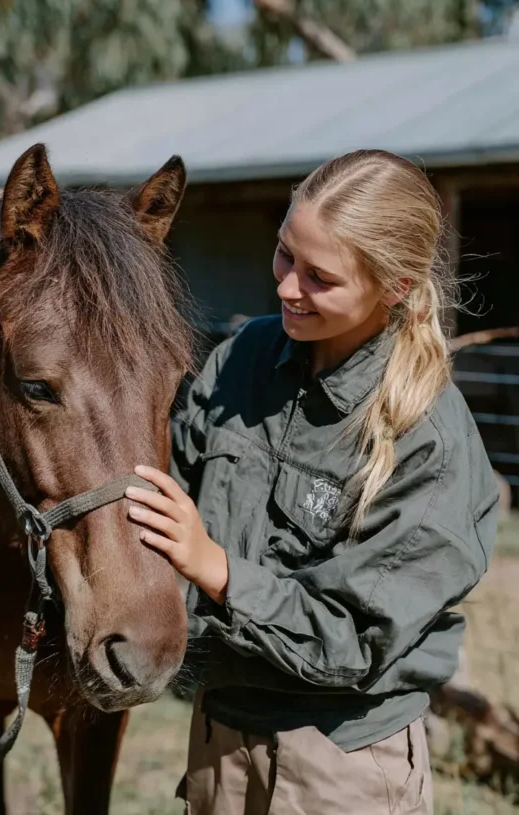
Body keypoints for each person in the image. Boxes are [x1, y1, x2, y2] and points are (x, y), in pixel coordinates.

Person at [124, 149, 499, 815]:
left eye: (320, 277)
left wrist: (216, 569)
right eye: (283, 254)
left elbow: (351, 641)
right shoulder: (241, 360)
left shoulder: (424, 439)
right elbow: (161, 503)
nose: (286, 287)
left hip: (340, 760)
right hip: (219, 729)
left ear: (396, 287)